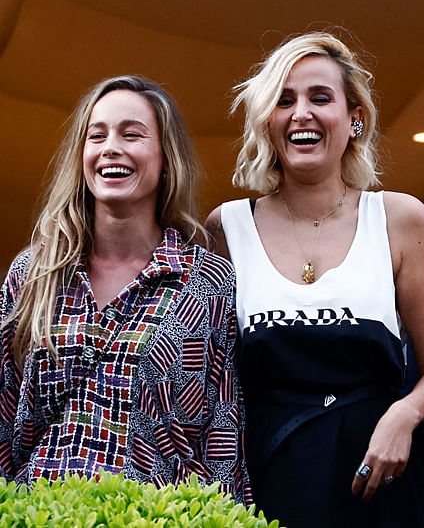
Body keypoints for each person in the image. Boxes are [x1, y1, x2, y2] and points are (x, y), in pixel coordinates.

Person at [205, 31, 424, 528]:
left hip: (379, 482)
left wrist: (402, 417)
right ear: (267, 122)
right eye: (284, 101)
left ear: (353, 118)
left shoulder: (399, 218)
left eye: (320, 98)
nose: (302, 113)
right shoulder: (225, 228)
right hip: (267, 479)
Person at [0, 76, 250, 503]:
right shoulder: (33, 273)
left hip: (154, 515)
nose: (110, 147)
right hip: (35, 511)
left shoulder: (209, 283)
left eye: (131, 134)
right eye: (97, 136)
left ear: (165, 158)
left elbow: (223, 434)